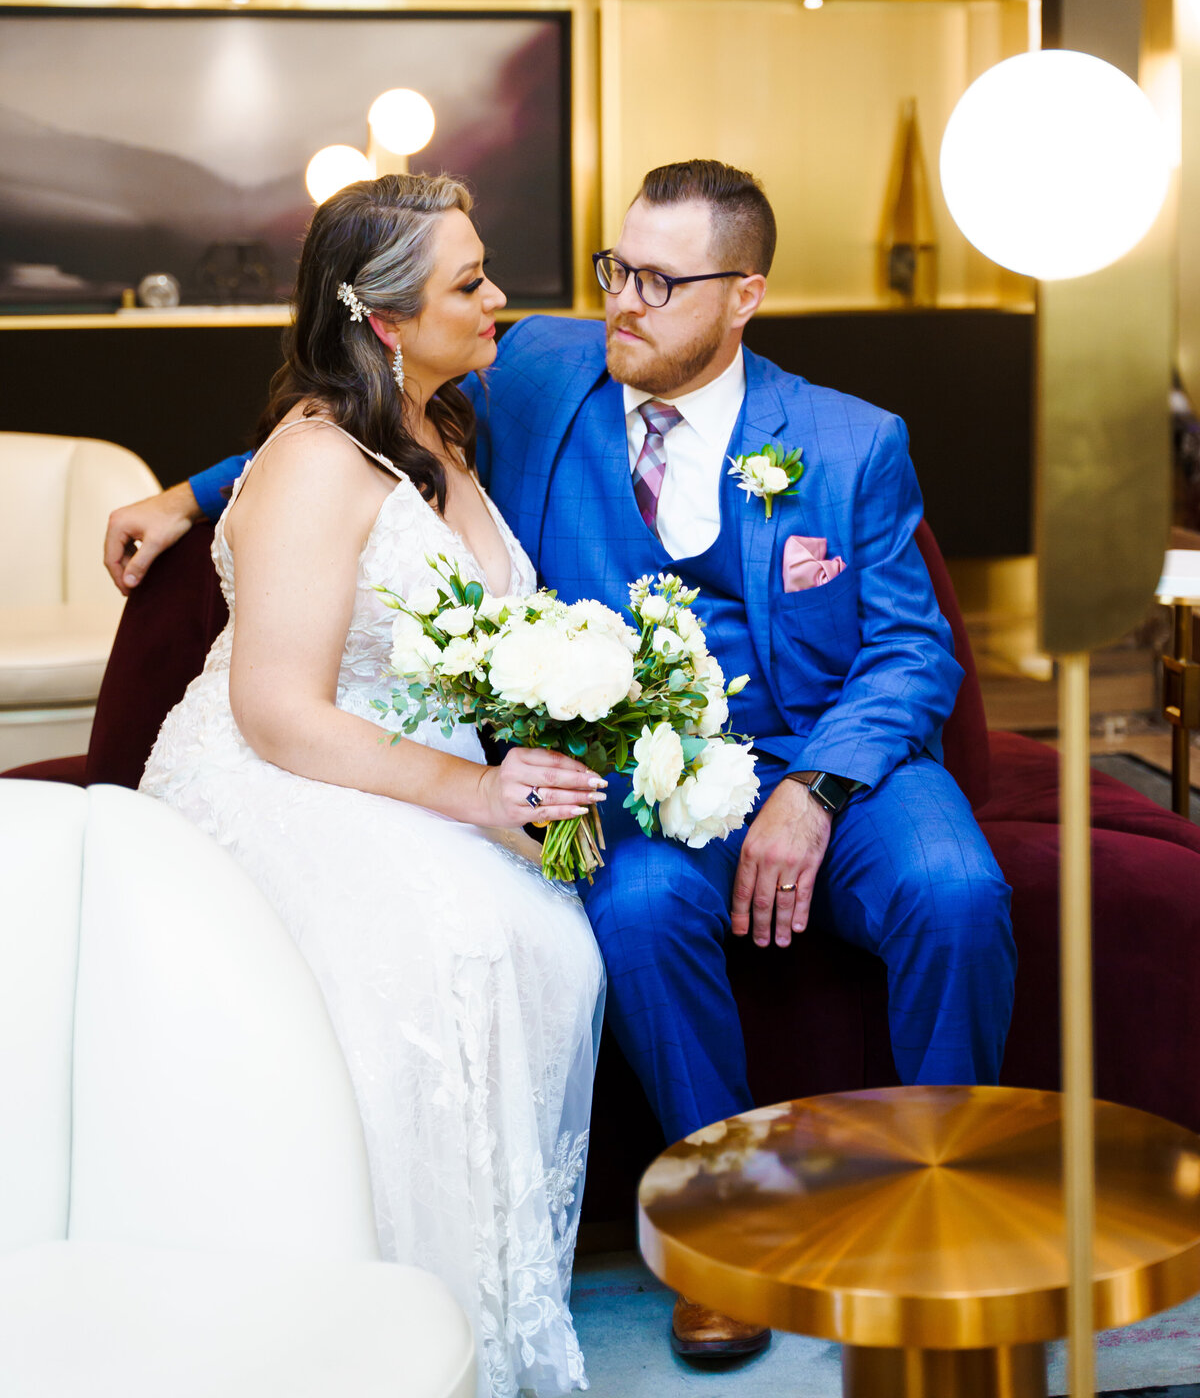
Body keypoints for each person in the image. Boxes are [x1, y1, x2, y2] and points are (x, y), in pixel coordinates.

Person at [109, 158, 1017, 1368]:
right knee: (630, 912)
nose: (621, 302)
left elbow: (912, 651)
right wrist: (184, 494)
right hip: (648, 778)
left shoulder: (853, 443)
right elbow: (348, 419)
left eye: (658, 279)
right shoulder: (542, 368)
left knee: (958, 892)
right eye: (613, 268)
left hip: (842, 766)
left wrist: (815, 789)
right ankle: (723, 1237)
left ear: (743, 296)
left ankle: (945, 1215)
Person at [136, 173, 606, 1398]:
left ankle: (483, 1309)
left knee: (550, 937)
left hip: (407, 760)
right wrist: (481, 796)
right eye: (470, 282)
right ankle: (382, 1328)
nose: (502, 297)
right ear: (388, 321)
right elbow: (279, 711)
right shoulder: (309, 460)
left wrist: (190, 486)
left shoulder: (449, 418)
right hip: (288, 767)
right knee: (451, 946)